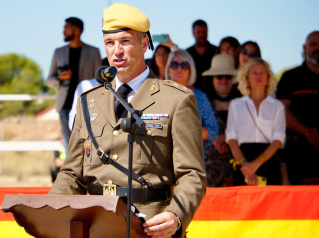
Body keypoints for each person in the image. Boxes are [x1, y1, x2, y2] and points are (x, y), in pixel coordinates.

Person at [49, 3, 206, 238]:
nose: (116, 51)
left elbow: (192, 175)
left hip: (152, 228)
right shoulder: (87, 102)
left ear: (144, 44)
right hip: (97, 227)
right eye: (110, 43)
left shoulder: (176, 100)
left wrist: (175, 214)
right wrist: (49, 212)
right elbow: (72, 174)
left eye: (125, 41)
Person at [226, 58, 286, 186]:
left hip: (268, 161)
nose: (258, 76)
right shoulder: (236, 105)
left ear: (268, 77)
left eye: (262, 72)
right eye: (254, 73)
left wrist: (256, 164)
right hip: (242, 162)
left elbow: (278, 139)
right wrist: (246, 167)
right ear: (247, 77)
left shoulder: (277, 106)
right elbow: (231, 138)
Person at [46, 17, 102, 151]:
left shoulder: (93, 52)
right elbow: (49, 80)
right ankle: (71, 172)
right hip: (64, 105)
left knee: (88, 143)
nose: (63, 31)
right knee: (69, 145)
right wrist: (60, 77)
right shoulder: (58, 52)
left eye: (67, 28)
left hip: (86, 106)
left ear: (77, 30)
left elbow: (99, 79)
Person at [276, 31, 319, 185]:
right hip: (299, 151)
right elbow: (282, 111)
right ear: (304, 47)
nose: (317, 48)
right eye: (313, 44)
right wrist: (308, 133)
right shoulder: (290, 77)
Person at [164, 49, 218, 162]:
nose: (179, 69)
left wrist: (187, 127)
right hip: (163, 161)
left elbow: (213, 132)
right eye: (174, 65)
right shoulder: (159, 94)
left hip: (192, 162)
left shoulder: (200, 97)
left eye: (184, 65)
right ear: (168, 69)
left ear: (191, 70)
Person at [202, 54, 241, 187]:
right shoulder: (203, 103)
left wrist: (227, 137)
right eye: (219, 76)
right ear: (212, 79)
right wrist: (216, 139)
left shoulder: (243, 104)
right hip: (209, 174)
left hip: (240, 171)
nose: (224, 80)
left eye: (228, 76)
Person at [186, 19, 217, 90]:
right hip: (193, 93)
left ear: (207, 32)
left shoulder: (216, 51)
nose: (201, 35)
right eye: (198, 32)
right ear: (193, 33)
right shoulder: (187, 53)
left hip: (214, 93)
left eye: (204, 32)